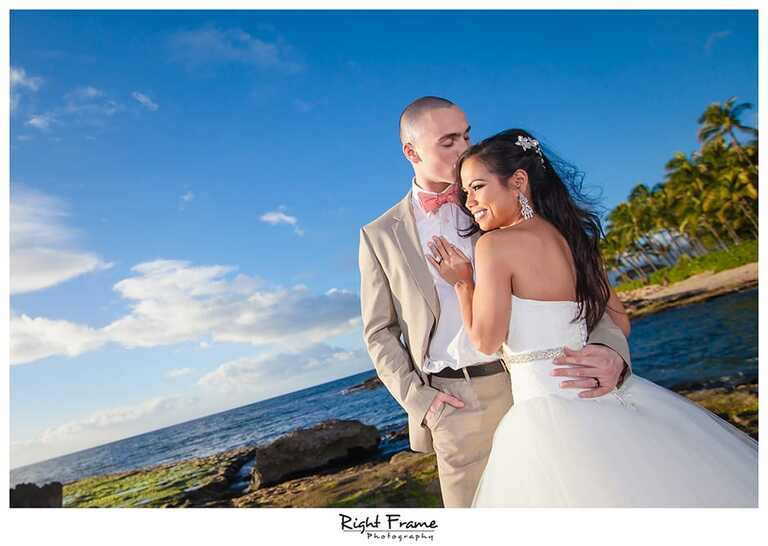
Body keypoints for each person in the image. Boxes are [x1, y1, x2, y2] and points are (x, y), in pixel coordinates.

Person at [428, 128, 758, 507]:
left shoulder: (493, 246)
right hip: (603, 402)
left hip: (545, 416)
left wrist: (463, 284)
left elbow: (486, 341)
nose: (468, 202)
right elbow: (620, 320)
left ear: (517, 181)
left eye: (477, 187)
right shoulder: (574, 237)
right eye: (466, 191)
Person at [358, 97, 632, 508]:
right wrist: (423, 403)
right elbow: (379, 333)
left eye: (466, 135)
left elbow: (579, 293)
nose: (464, 148)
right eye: (448, 141)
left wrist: (613, 352)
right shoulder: (379, 235)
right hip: (456, 405)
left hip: (543, 387)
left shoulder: (507, 202)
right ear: (411, 152)